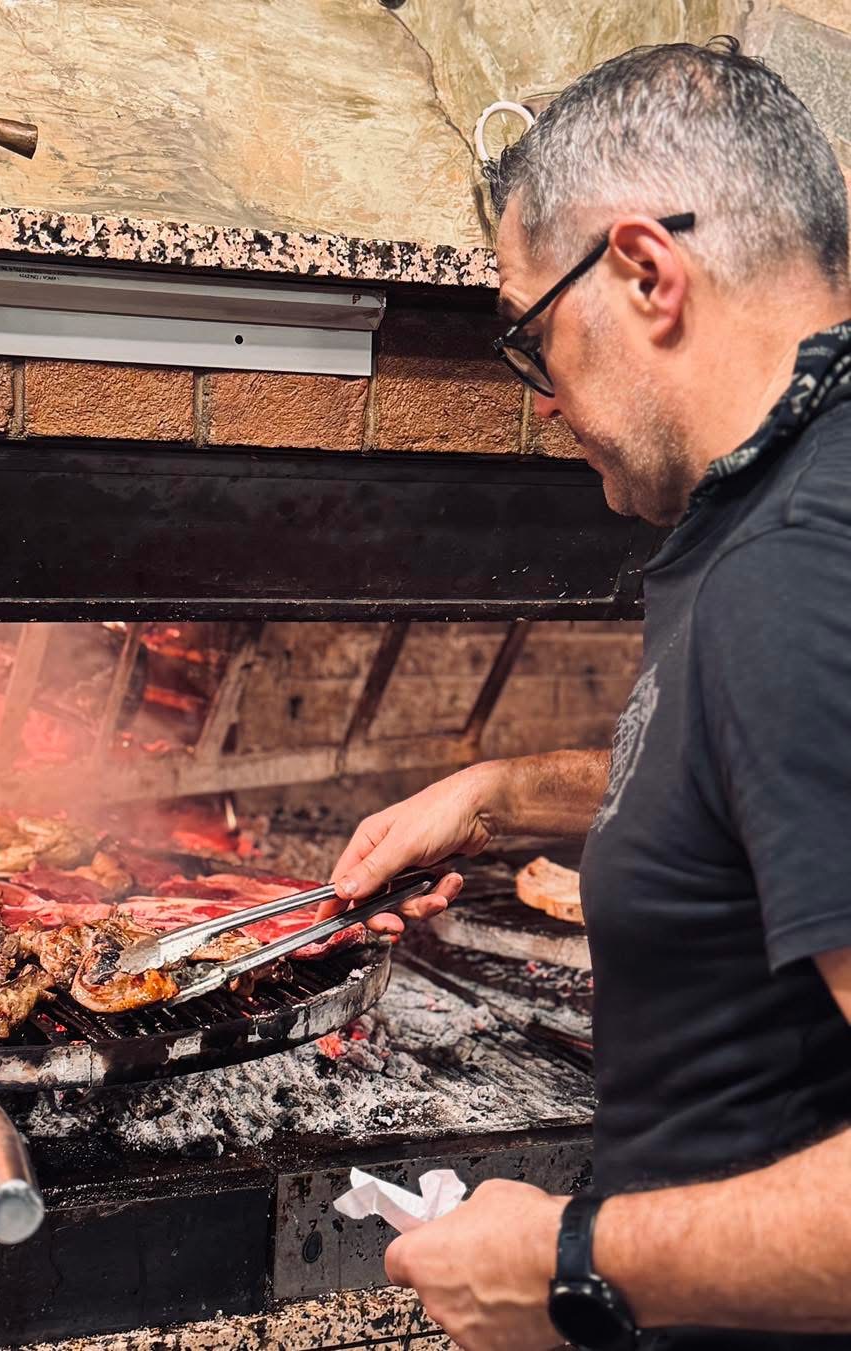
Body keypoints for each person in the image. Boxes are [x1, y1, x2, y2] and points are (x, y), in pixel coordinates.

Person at [317, 38, 851, 1351]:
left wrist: (567, 1265)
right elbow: (769, 787)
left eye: (530, 331)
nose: (545, 399)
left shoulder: (793, 579)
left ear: (646, 272)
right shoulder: (803, 511)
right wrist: (505, 797)